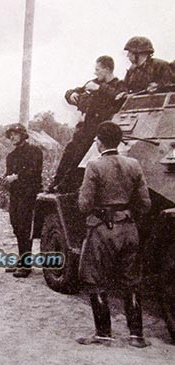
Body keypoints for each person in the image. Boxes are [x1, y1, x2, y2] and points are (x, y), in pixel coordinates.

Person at [77, 121, 151, 348]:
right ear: (119, 141)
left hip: (103, 230)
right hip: (129, 229)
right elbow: (146, 203)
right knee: (132, 281)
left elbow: (84, 204)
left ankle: (103, 334)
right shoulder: (134, 164)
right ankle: (136, 336)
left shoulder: (95, 166)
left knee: (95, 278)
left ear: (99, 142)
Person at [50, 56, 122, 192]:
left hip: (98, 132)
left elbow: (119, 97)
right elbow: (72, 91)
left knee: (80, 160)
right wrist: (71, 95)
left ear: (107, 69)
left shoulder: (118, 85)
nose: (95, 73)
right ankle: (56, 183)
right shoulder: (91, 83)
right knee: (69, 154)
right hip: (83, 129)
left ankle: (65, 187)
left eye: (98, 69)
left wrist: (99, 88)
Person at [2, 123, 43, 278]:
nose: (12, 137)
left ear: (23, 135)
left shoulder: (35, 152)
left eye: (15, 134)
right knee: (17, 227)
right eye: (10, 135)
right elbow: (8, 173)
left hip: (29, 195)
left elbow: (35, 171)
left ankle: (26, 265)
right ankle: (22, 259)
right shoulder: (11, 156)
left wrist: (17, 176)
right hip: (16, 195)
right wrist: (5, 179)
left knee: (25, 228)